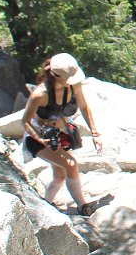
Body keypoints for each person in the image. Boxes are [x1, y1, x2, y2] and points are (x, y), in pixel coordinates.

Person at [20, 53, 104, 216]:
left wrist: (95, 133)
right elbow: (25, 121)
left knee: (60, 175)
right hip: (38, 138)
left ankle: (44, 206)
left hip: (59, 135)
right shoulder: (40, 94)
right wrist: (40, 138)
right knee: (71, 164)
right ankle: (82, 206)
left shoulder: (74, 86)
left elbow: (84, 107)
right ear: (56, 76)